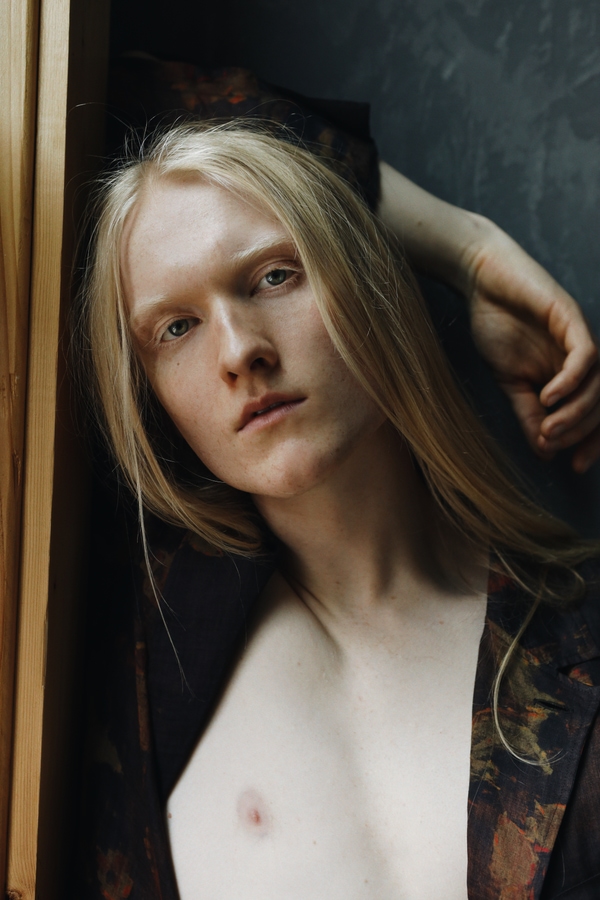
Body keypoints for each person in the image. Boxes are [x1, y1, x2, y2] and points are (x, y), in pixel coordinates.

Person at [78, 120, 600, 900]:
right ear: (148, 391)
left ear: (364, 274)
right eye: (177, 327)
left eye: (273, 276)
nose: (239, 351)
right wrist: (464, 250)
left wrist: (473, 256)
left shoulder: (579, 633)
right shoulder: (118, 647)